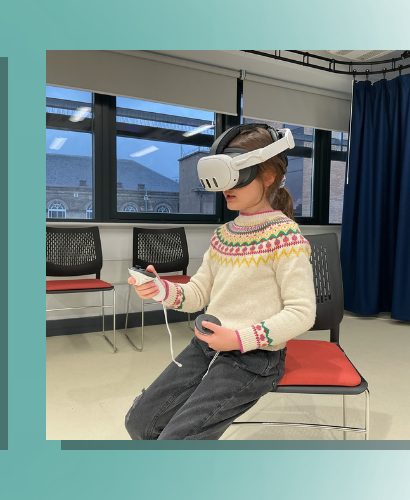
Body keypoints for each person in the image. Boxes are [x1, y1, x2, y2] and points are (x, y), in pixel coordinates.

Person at [122, 123, 315, 439]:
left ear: (268, 176)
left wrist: (239, 339)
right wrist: (160, 288)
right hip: (207, 343)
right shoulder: (223, 235)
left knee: (176, 440)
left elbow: (301, 313)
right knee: (139, 423)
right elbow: (198, 294)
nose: (226, 185)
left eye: (237, 173)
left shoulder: (286, 239)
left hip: (254, 357)